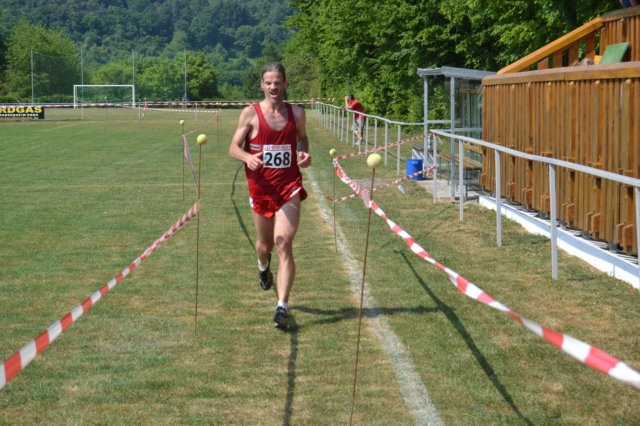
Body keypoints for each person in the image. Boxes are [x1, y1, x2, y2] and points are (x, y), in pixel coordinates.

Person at [228, 62, 312, 331]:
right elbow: (233, 147)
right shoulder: (250, 114)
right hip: (261, 188)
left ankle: (282, 306)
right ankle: (263, 266)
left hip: (289, 186)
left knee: (283, 242)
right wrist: (247, 157)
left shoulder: (297, 113)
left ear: (285, 84)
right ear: (262, 85)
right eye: (269, 83)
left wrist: (304, 152)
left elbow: (302, 138)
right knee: (265, 245)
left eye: (278, 82)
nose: (273, 87)